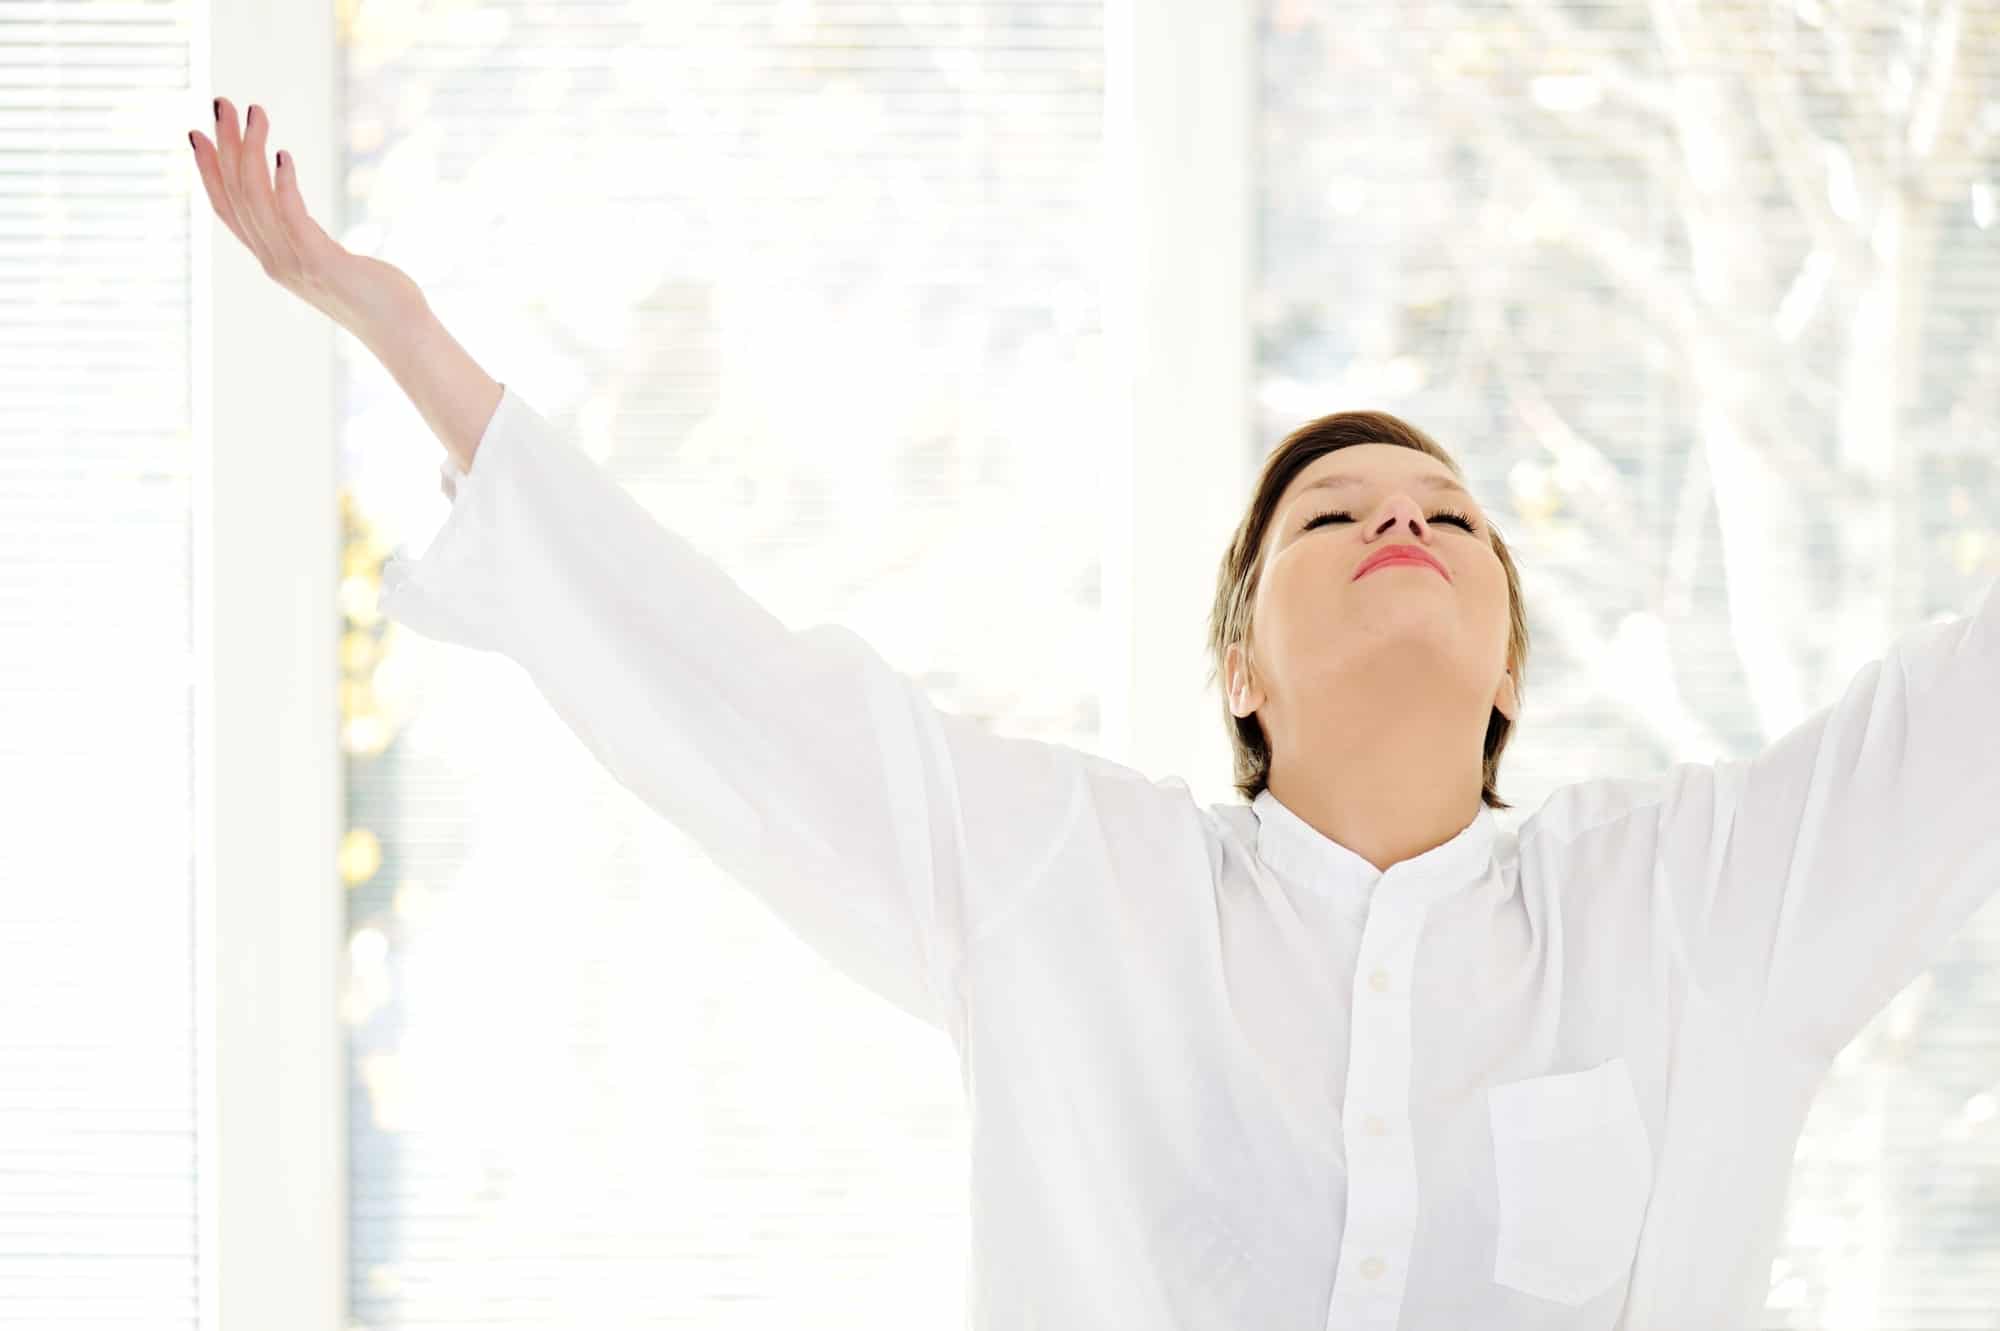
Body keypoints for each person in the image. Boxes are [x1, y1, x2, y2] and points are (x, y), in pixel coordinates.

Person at [191, 97, 2000, 1330]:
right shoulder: (1076, 886)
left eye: (1453, 520)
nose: (1404, 522)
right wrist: (409, 345)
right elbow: (731, 690)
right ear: (1239, 666)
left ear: (1512, 664)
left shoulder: (1695, 908)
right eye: (1336, 513)